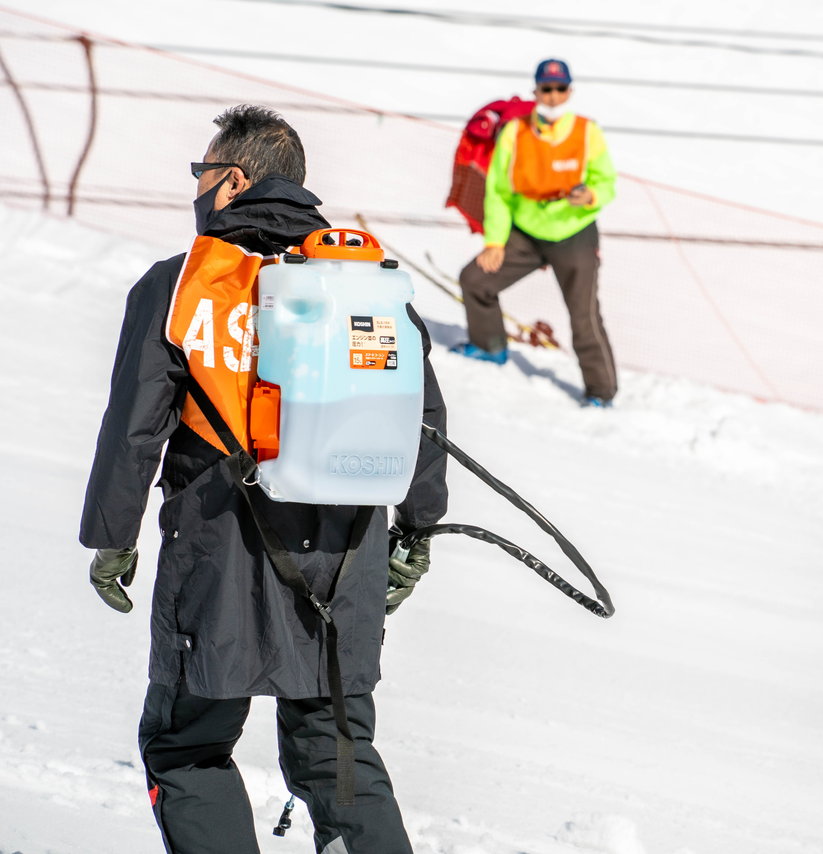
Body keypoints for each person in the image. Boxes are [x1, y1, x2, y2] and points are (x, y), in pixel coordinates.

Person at [79, 105, 447, 854]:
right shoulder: (364, 281)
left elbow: (134, 428)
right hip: (347, 553)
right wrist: (416, 534)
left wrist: (112, 539)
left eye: (201, 174)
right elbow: (422, 417)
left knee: (188, 746)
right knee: (335, 749)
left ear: (233, 181)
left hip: (220, 551)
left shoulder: (184, 281)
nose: (196, 188)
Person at [452, 57, 619, 407]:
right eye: (547, 88)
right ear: (536, 91)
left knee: (584, 315)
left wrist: (590, 195)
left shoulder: (587, 131)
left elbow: (606, 182)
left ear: (570, 92)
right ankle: (489, 346)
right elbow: (498, 191)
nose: (554, 95)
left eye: (560, 89)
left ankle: (601, 393)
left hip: (574, 232)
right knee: (476, 278)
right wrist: (495, 242)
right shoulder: (515, 131)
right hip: (525, 232)